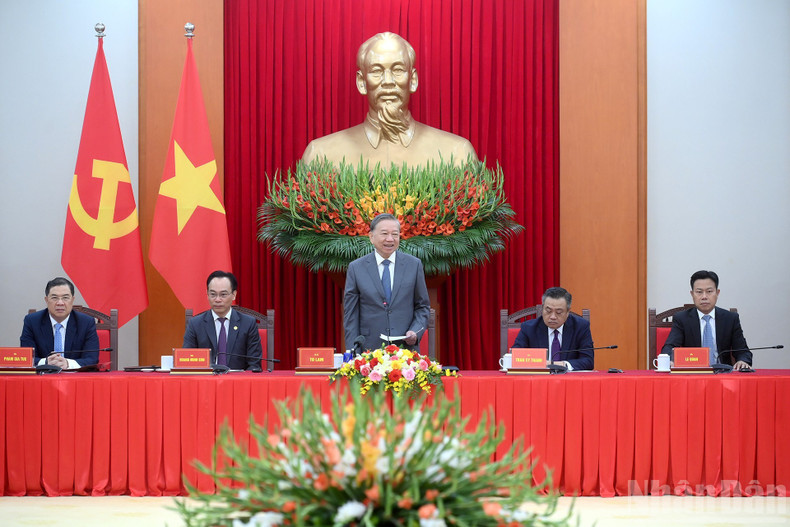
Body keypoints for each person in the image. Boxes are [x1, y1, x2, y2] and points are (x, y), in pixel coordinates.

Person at [302, 32, 478, 168]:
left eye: (398, 70)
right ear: (362, 82)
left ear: (413, 80)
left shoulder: (457, 155)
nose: (388, 81)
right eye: (376, 71)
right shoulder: (320, 156)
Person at [344, 213, 430, 353]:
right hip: (369, 351)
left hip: (405, 351)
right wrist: (354, 353)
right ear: (371, 237)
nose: (390, 239)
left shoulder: (413, 265)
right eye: (384, 233)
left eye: (395, 234)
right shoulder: (356, 268)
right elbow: (351, 315)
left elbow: (423, 306)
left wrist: (415, 331)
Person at [661, 270, 752, 370]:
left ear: (717, 293)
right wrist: (670, 360)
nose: (704, 297)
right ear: (692, 294)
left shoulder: (730, 318)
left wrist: (742, 360)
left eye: (709, 291)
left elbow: (743, 351)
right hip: (693, 373)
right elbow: (669, 347)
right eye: (699, 292)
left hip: (723, 373)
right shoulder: (682, 319)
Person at [183, 270, 263, 372]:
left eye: (223, 295)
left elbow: (254, 365)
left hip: (238, 383)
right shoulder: (195, 324)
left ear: (234, 294)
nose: (217, 299)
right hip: (206, 383)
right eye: (213, 294)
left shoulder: (248, 324)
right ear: (207, 294)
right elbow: (187, 362)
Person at [20, 277, 99, 369]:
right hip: (43, 378)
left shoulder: (86, 323)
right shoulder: (32, 321)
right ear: (46, 300)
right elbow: (26, 358)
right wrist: (46, 362)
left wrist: (67, 364)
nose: (60, 303)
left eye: (65, 298)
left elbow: (92, 359)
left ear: (72, 300)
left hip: (74, 378)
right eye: (54, 298)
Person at [511, 287, 594, 370]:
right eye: (548, 311)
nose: (553, 317)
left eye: (559, 312)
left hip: (569, 380)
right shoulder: (529, 328)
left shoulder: (580, 327)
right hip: (539, 380)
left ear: (568, 312)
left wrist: (560, 365)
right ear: (542, 308)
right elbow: (514, 357)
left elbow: (588, 361)